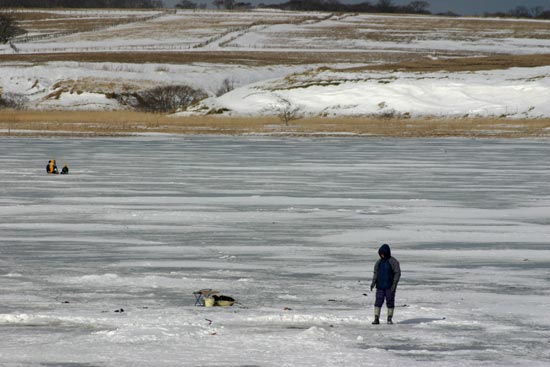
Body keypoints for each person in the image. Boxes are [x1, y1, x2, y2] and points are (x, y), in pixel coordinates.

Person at [370, 243, 401, 325]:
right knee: (378, 301)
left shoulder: (393, 262)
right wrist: (373, 283)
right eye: (381, 254)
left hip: (389, 286)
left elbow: (397, 273)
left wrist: (394, 284)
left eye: (383, 253)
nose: (382, 255)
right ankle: (376, 318)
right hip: (380, 286)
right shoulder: (378, 262)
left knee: (390, 301)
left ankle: (389, 319)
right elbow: (376, 273)